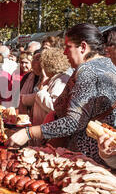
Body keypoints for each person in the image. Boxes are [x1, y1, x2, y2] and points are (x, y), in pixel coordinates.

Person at [7, 23, 116, 165]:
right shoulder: (109, 65)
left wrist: (28, 133)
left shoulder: (87, 71)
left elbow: (73, 122)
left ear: (83, 47)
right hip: (104, 154)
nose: (64, 53)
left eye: (68, 47)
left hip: (86, 156)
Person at [31, 48, 72, 126]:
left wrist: (41, 92)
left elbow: (54, 107)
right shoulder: (54, 79)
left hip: (47, 131)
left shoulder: (61, 80)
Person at [18, 50, 46, 116]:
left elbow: (40, 97)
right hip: (25, 115)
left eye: (37, 59)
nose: (33, 62)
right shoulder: (27, 76)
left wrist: (24, 98)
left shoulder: (47, 78)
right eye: (33, 59)